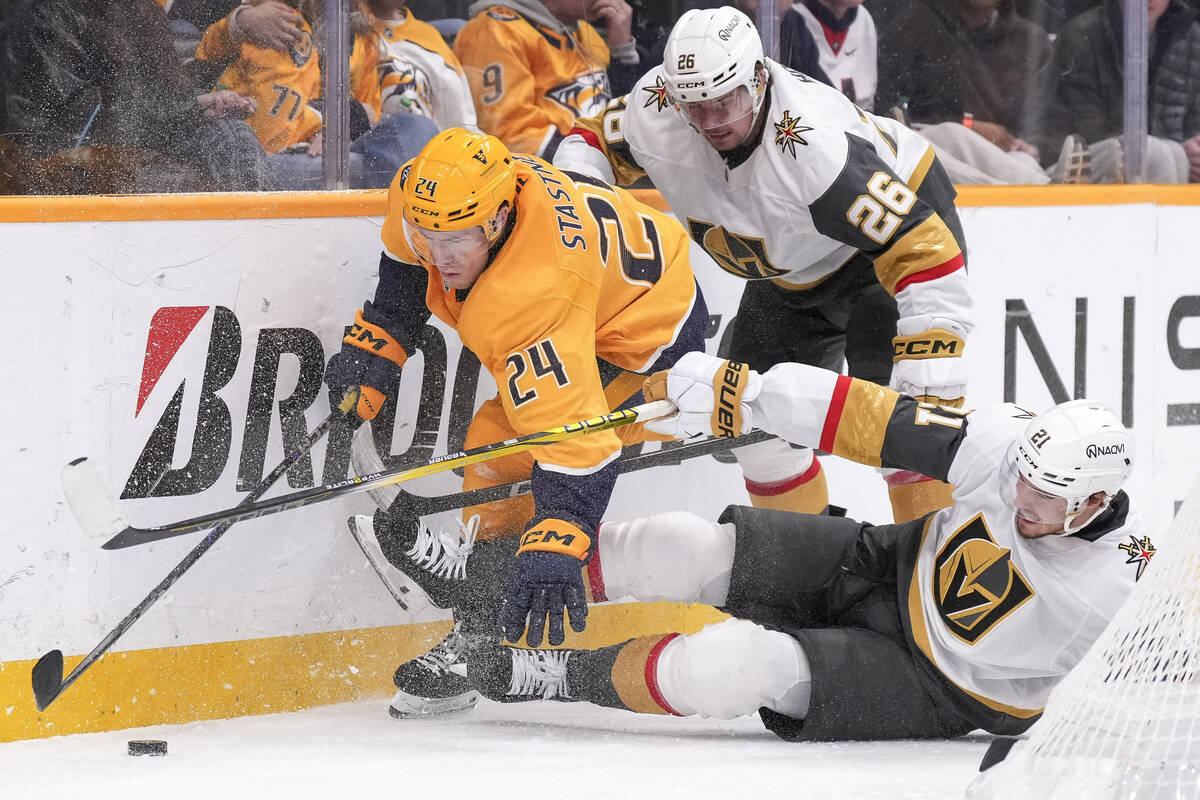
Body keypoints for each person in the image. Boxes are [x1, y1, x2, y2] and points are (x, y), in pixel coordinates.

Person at [460, 351, 1148, 741]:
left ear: (1094, 502)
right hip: (891, 562)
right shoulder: (1002, 450)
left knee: (737, 666)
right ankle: (487, 583)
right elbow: (869, 418)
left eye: (1047, 495)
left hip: (937, 686)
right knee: (684, 544)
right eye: (1024, 476)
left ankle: (554, 674)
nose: (1022, 496)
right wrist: (750, 395)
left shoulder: (1122, 590)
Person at [324, 127, 709, 717]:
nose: (441, 254)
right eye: (430, 234)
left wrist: (560, 537)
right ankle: (482, 583)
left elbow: (580, 450)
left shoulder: (533, 297)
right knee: (492, 448)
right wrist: (381, 337)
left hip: (644, 335)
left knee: (506, 449)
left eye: (459, 238)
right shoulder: (427, 195)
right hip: (608, 272)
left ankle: (479, 625)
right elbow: (407, 265)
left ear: (501, 217)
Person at [554, 6, 973, 526]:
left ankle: (933, 577)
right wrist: (581, 221)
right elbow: (588, 141)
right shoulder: (657, 105)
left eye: (724, 101)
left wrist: (935, 353)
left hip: (887, 252)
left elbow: (923, 249)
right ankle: (815, 572)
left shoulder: (813, 147)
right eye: (694, 105)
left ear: (758, 77)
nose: (709, 123)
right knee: (755, 429)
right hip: (789, 270)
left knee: (913, 430)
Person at [1034, 0, 1200, 183]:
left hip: (1167, 157)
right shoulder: (1083, 34)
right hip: (1073, 163)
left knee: (1171, 155)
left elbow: (1194, 119)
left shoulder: (1190, 36)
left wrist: (1193, 149)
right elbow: (1084, 132)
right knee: (1155, 153)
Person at [452, 0, 640, 158]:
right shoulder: (494, 32)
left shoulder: (583, 31)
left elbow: (614, 107)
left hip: (594, 164)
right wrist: (597, 157)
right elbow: (511, 135)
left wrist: (622, 50)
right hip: (545, 182)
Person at [362, 0, 481, 132]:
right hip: (374, 146)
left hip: (444, 146)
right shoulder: (347, 33)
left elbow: (462, 119)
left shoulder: (429, 35)